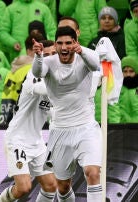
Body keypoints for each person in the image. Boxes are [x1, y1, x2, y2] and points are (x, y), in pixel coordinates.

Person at [32, 26, 102, 201]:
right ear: (55, 45)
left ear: (75, 43)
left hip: (86, 127)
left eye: (69, 43)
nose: (64, 47)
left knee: (92, 173)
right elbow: (37, 72)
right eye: (60, 43)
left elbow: (96, 64)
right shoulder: (49, 62)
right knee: (63, 187)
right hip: (60, 130)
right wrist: (38, 56)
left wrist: (83, 51)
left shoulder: (84, 58)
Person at [0, 44, 57, 202]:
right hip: (17, 141)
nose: (50, 57)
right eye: (46, 54)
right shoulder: (33, 75)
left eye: (54, 53)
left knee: (51, 185)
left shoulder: (57, 79)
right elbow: (41, 89)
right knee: (23, 188)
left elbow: (56, 114)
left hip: (36, 142)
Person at [0, 34, 45, 125]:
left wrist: (3, 123)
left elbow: (6, 96)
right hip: (37, 122)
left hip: (17, 121)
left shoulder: (12, 71)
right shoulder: (40, 70)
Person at [119, 55, 138, 123]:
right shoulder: (117, 88)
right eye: (125, 71)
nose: (128, 74)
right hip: (121, 127)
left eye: (131, 71)